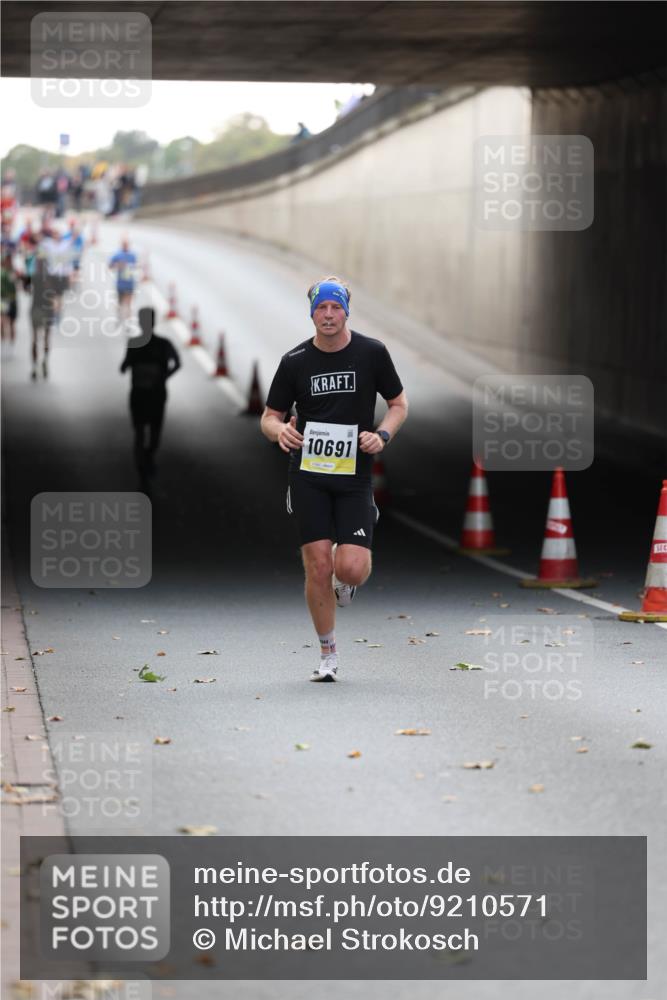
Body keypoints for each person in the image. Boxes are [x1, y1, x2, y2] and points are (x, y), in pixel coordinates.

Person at [260, 276, 408, 682]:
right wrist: (280, 432)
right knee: (318, 565)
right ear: (312, 313)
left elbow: (398, 404)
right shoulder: (295, 362)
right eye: (320, 308)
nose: (328, 315)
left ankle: (348, 584)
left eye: (335, 308)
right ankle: (328, 653)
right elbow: (269, 417)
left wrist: (381, 435)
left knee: (351, 568)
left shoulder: (371, 353)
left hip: (355, 475)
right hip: (307, 474)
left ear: (346, 310)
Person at [120, 306, 181, 477]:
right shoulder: (164, 344)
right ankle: (148, 457)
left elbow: (123, 367)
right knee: (155, 432)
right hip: (157, 395)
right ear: (154, 322)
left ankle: (142, 462)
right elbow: (177, 363)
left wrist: (132, 366)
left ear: (140, 322)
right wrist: (164, 376)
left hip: (139, 395)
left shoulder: (134, 344)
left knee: (139, 431)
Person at [108, 238, 138, 329]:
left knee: (128, 304)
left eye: (127, 244)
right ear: (122, 245)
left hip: (130, 283)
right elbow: (110, 266)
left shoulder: (132, 255)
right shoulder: (117, 255)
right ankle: (119, 317)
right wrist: (118, 265)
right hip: (120, 284)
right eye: (124, 244)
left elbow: (136, 266)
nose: (125, 246)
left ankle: (128, 323)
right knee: (120, 304)